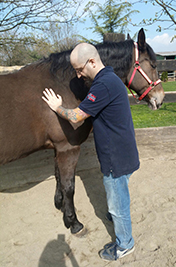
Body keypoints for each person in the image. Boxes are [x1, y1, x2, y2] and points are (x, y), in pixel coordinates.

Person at [42, 43, 140, 261]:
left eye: (79, 69)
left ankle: (125, 244)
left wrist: (57, 106)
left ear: (92, 62)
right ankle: (118, 218)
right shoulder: (110, 78)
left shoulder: (103, 85)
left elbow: (77, 116)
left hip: (116, 157)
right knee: (119, 195)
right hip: (125, 152)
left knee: (117, 203)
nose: (78, 75)